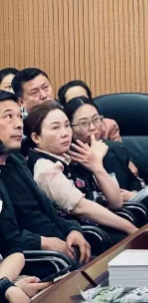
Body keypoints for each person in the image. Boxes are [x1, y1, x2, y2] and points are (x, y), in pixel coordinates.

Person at [0, 91, 91, 276]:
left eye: (19, 116)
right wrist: (44, 242)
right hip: (37, 263)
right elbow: (7, 238)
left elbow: (47, 209)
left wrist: (72, 229)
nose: (19, 124)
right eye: (8, 117)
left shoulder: (16, 161)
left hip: (62, 251)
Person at [25, 102, 138, 243]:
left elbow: (116, 202)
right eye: (55, 128)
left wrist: (97, 166)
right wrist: (130, 228)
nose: (65, 133)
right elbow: (82, 208)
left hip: (101, 226)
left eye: (67, 125)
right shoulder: (44, 167)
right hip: (87, 236)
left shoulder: (72, 155)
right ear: (36, 137)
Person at [64, 97, 148, 218]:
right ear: (70, 128)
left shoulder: (114, 149)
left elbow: (132, 183)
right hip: (110, 215)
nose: (92, 127)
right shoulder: (70, 160)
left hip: (132, 205)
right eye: (83, 123)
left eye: (96, 119)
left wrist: (132, 194)